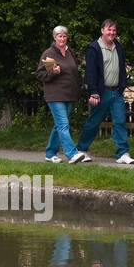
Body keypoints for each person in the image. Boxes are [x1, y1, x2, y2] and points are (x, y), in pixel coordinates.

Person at [78, 19, 134, 163]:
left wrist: (122, 87)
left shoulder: (118, 47)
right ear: (102, 30)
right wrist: (93, 92)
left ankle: (122, 154)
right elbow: (90, 72)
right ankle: (81, 150)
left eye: (114, 30)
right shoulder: (94, 48)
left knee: (120, 121)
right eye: (109, 30)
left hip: (116, 92)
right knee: (94, 122)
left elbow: (121, 69)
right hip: (100, 93)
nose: (112, 33)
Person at [36, 25, 89, 164]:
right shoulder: (49, 54)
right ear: (55, 38)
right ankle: (72, 154)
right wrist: (54, 72)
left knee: (59, 125)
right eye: (59, 36)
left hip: (70, 94)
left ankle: (50, 153)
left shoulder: (70, 52)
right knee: (63, 125)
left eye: (64, 36)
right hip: (55, 95)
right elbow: (41, 74)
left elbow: (74, 72)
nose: (62, 38)